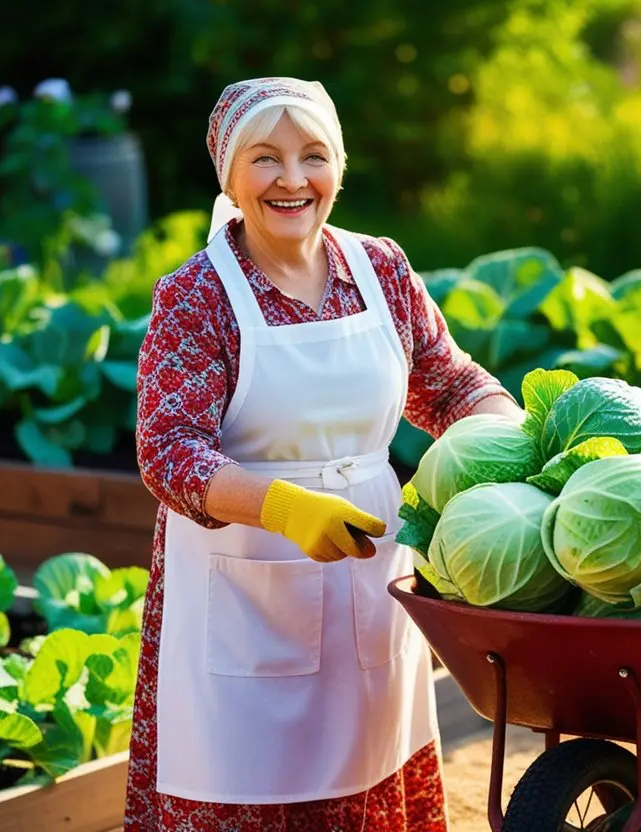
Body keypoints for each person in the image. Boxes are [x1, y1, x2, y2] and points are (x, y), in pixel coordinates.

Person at [124, 76, 523, 831]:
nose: (292, 179)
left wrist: (508, 437)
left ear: (339, 165)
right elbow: (169, 451)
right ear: (231, 176)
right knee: (247, 778)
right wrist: (283, 506)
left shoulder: (381, 270)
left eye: (314, 156)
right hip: (242, 581)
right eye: (265, 159)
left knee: (368, 758)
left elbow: (448, 384)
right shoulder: (198, 295)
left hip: (370, 566)